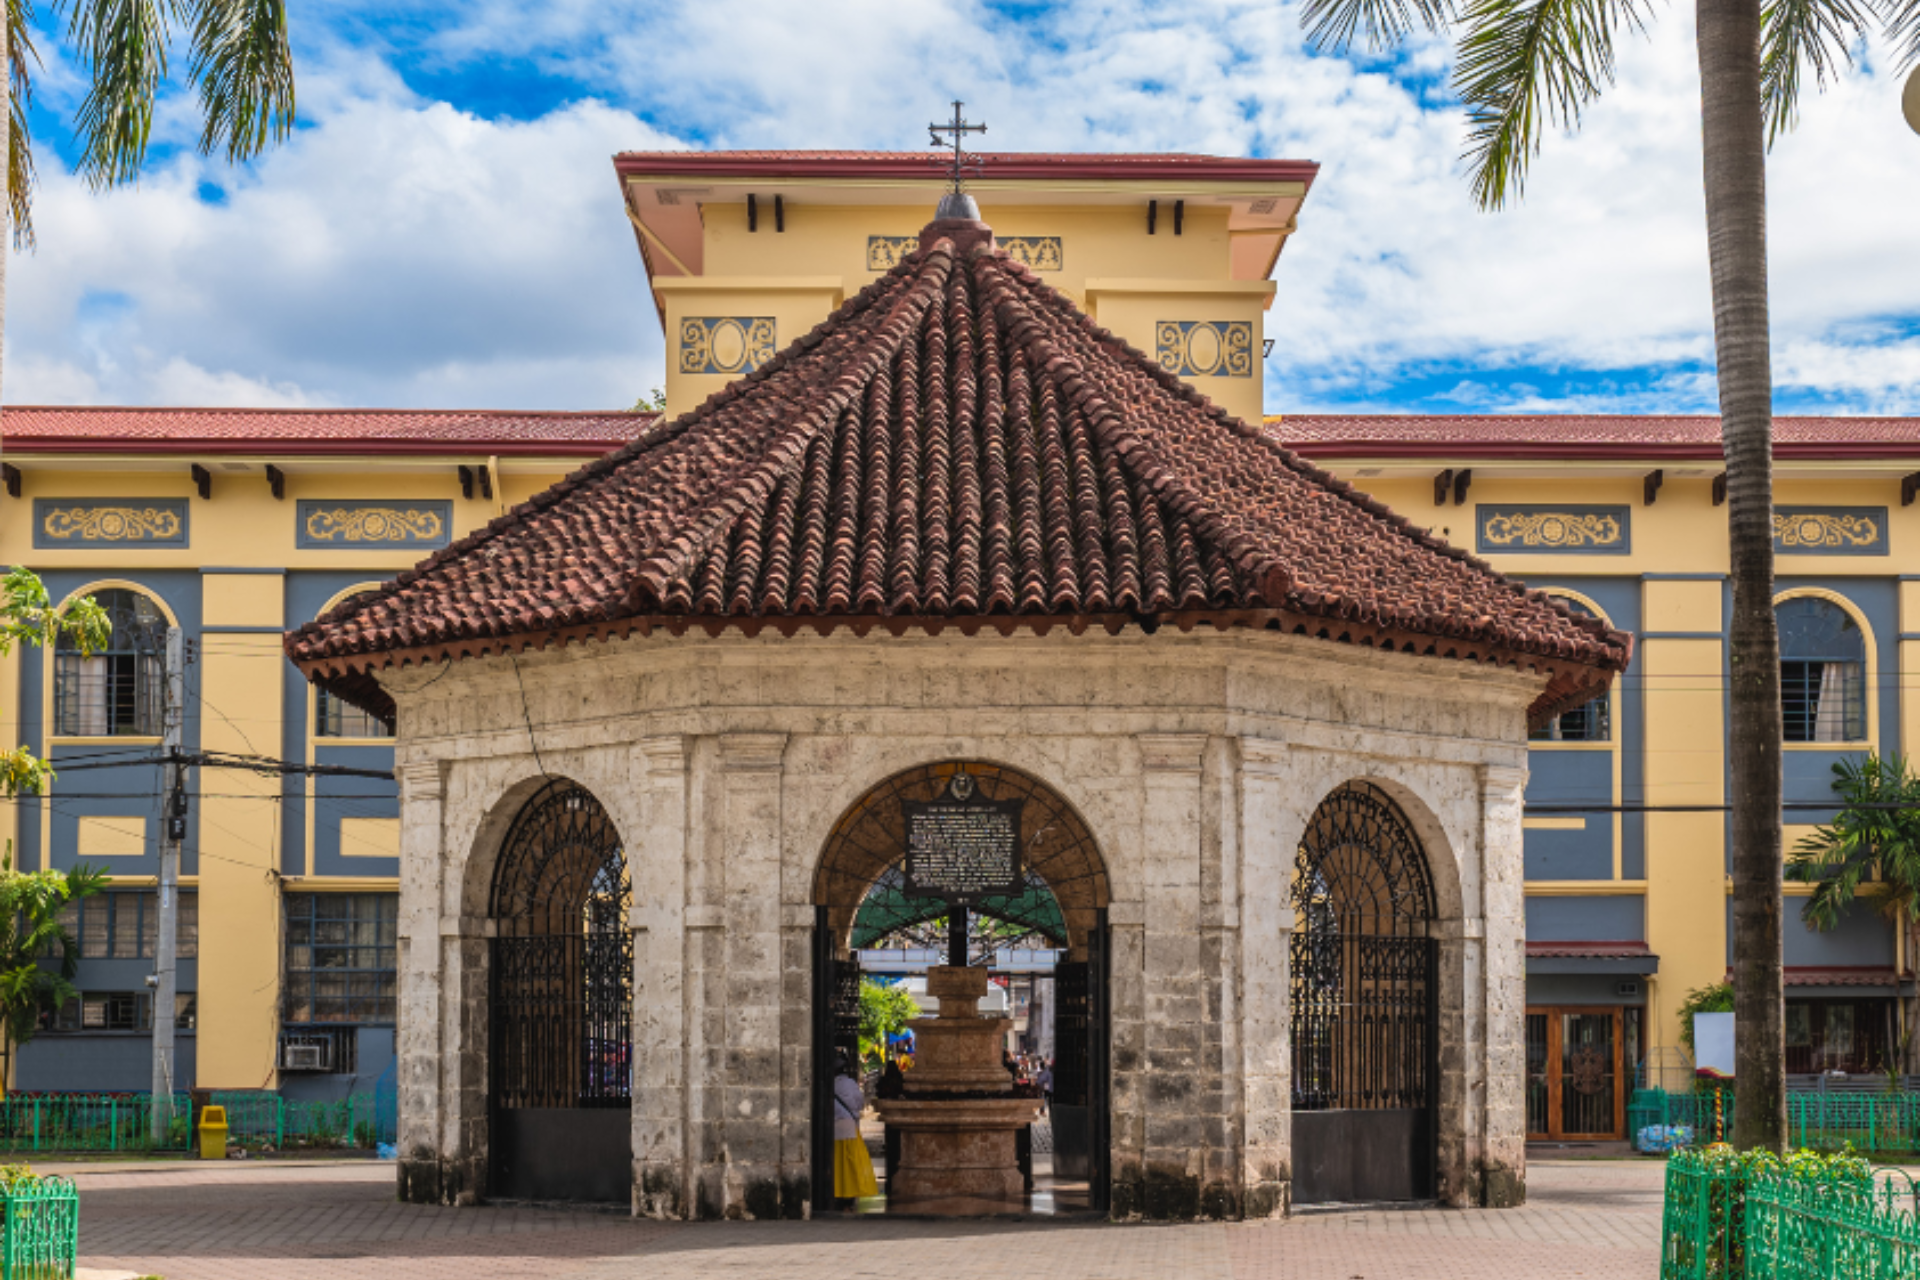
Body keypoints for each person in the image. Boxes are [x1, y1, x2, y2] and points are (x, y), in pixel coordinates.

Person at [833, 1053, 878, 1206]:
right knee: (850, 1162)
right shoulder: (850, 1084)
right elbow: (859, 1103)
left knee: (837, 1162)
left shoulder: (829, 1084)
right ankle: (849, 1192)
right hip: (849, 1126)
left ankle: (836, 1191)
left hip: (833, 1126)